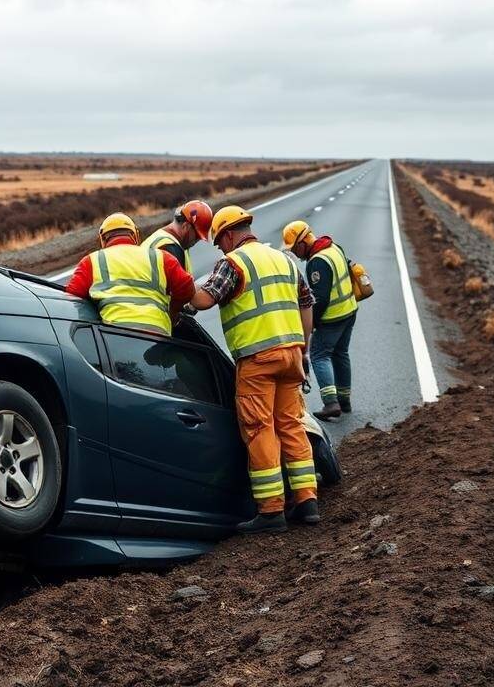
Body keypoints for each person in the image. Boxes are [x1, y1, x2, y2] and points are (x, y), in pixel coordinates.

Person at [190, 205, 318, 533]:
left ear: (229, 235)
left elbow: (204, 300)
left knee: (260, 429)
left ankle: (271, 510)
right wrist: (303, 350)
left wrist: (179, 285)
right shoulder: (286, 261)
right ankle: (306, 501)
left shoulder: (233, 263)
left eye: (219, 242)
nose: (220, 248)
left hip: (258, 361)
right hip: (291, 355)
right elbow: (306, 306)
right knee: (291, 425)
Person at [65, 212, 194, 336]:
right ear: (135, 236)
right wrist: (173, 312)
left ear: (102, 239)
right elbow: (187, 288)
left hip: (114, 336)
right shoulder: (160, 257)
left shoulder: (91, 261)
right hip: (158, 336)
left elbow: (72, 301)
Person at [282, 220, 357, 421]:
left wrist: (311, 324)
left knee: (319, 355)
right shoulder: (333, 247)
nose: (296, 254)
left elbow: (320, 298)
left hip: (332, 317)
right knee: (341, 353)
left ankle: (331, 403)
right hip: (349, 311)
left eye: (295, 249)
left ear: (302, 243)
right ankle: (344, 400)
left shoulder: (317, 262)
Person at [141, 200, 213, 275]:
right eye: (197, 236)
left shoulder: (161, 238)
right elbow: (179, 286)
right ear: (185, 226)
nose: (197, 241)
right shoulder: (170, 249)